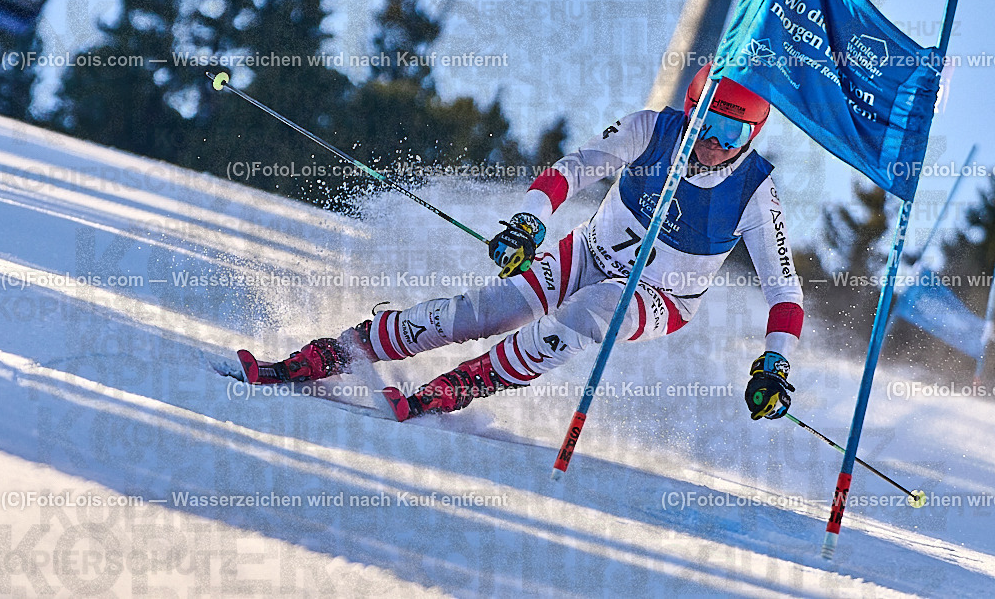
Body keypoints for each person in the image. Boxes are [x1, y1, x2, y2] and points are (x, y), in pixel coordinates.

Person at [235, 65, 805, 422]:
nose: (711, 143)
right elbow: (572, 171)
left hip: (660, 298)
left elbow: (784, 290)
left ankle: (464, 383)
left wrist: (775, 363)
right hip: (586, 252)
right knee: (485, 311)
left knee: (594, 310)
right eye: (705, 123)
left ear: (753, 134)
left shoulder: (756, 189)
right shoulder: (651, 129)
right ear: (691, 108)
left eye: (731, 134)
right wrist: (528, 224)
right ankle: (336, 352)